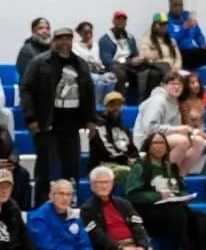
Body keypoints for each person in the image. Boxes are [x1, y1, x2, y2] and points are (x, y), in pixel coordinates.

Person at [20, 28, 96, 207]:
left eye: (68, 39)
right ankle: (41, 205)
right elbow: (26, 89)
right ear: (53, 41)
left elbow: (89, 92)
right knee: (45, 170)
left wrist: (91, 119)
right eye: (60, 39)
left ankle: (70, 204)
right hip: (47, 124)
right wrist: (30, 118)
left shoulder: (80, 64)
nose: (64, 42)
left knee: (72, 168)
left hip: (71, 125)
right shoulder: (39, 62)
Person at [125, 132, 206, 250]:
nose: (159, 146)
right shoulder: (140, 167)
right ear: (148, 146)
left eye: (162, 143)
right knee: (177, 212)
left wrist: (183, 196)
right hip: (147, 213)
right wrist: (157, 195)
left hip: (171, 207)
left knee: (202, 217)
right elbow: (132, 194)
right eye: (155, 143)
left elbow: (181, 189)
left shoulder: (171, 168)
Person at [166, 0, 206, 90]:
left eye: (180, 5)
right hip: (178, 54)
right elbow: (172, 40)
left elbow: (198, 34)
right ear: (170, 6)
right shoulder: (167, 22)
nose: (178, 8)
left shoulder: (187, 17)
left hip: (192, 51)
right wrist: (184, 29)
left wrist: (203, 45)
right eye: (175, 5)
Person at [88, 90, 139, 188]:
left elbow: (132, 149)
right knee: (128, 172)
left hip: (122, 164)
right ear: (105, 107)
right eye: (112, 105)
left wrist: (135, 159)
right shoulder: (99, 126)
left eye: (119, 105)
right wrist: (126, 160)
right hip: (103, 165)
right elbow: (107, 150)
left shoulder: (124, 128)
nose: (116, 108)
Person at [98, 11, 147, 98]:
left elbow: (135, 54)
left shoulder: (130, 38)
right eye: (118, 19)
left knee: (146, 71)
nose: (121, 22)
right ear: (113, 21)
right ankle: (121, 100)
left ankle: (142, 98)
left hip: (130, 65)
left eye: (123, 20)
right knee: (120, 73)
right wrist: (127, 62)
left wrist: (139, 59)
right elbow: (107, 61)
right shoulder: (105, 39)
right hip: (114, 66)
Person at [73, 21, 117, 105]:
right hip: (84, 72)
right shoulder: (75, 46)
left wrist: (99, 65)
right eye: (86, 33)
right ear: (80, 33)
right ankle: (96, 104)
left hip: (97, 71)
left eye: (90, 32)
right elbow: (79, 62)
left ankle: (106, 103)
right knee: (99, 81)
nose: (88, 35)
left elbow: (99, 61)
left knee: (111, 78)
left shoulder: (95, 45)